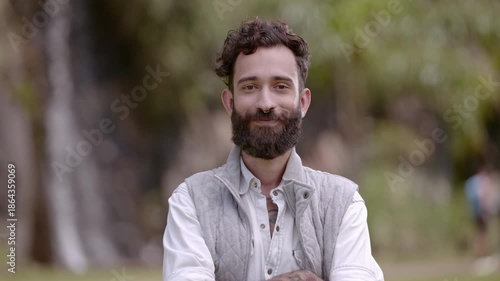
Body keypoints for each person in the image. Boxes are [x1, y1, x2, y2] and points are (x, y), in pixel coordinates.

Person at [163, 18, 384, 281]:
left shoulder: (344, 204)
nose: (265, 103)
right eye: (250, 87)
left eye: (280, 86)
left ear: (303, 102)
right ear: (230, 102)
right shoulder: (190, 201)